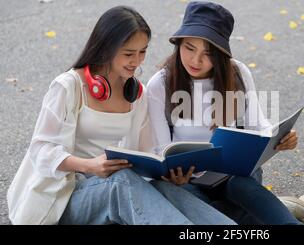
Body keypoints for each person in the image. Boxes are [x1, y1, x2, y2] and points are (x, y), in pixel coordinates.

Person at [6, 5, 236, 225]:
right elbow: (41, 150)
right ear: (106, 48)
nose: (136, 61)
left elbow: (148, 154)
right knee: (121, 181)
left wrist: (169, 173)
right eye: (128, 53)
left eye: (142, 52)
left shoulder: (136, 93)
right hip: (62, 199)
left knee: (163, 188)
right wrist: (88, 166)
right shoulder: (68, 86)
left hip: (108, 189)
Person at [146, 1, 304, 225]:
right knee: (178, 198)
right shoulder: (160, 84)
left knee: (240, 185)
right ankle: (272, 210)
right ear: (179, 44)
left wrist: (281, 138)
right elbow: (160, 148)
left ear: (221, 54)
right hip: (188, 183)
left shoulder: (237, 73)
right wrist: (172, 175)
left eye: (208, 53)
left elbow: (259, 127)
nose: (196, 60)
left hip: (235, 176)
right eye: (189, 48)